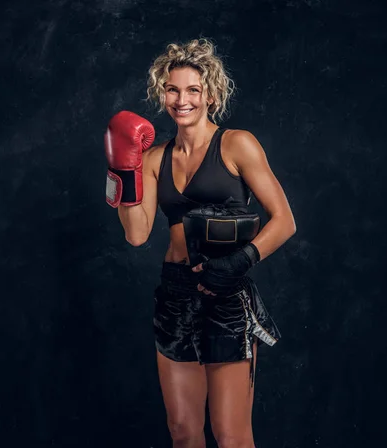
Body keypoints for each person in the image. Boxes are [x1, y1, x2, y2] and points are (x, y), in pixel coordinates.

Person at [104, 38, 296, 448]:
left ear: (210, 93)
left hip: (225, 293)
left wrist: (240, 262)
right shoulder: (154, 157)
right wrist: (124, 169)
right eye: (173, 89)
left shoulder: (236, 143)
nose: (182, 99)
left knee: (230, 436)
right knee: (184, 433)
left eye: (193, 89)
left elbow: (284, 221)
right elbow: (136, 234)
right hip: (175, 294)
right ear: (162, 93)